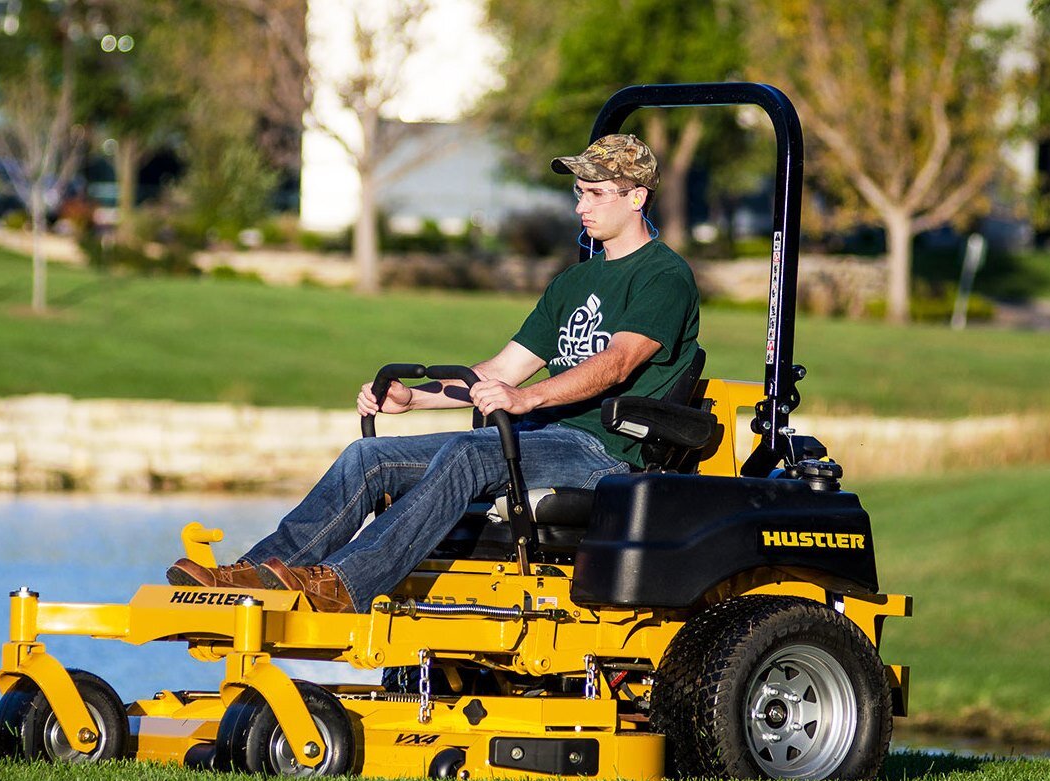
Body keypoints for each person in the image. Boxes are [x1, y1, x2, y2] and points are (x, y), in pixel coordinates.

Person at [167, 134, 700, 612]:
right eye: (579, 192)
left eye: (596, 193)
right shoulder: (572, 282)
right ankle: (258, 575)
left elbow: (617, 362)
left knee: (469, 452)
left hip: (601, 452)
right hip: (536, 436)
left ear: (637, 197)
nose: (582, 205)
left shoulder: (663, 275)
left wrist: (526, 400)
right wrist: (414, 400)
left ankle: (342, 583)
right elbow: (500, 368)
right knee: (368, 457)